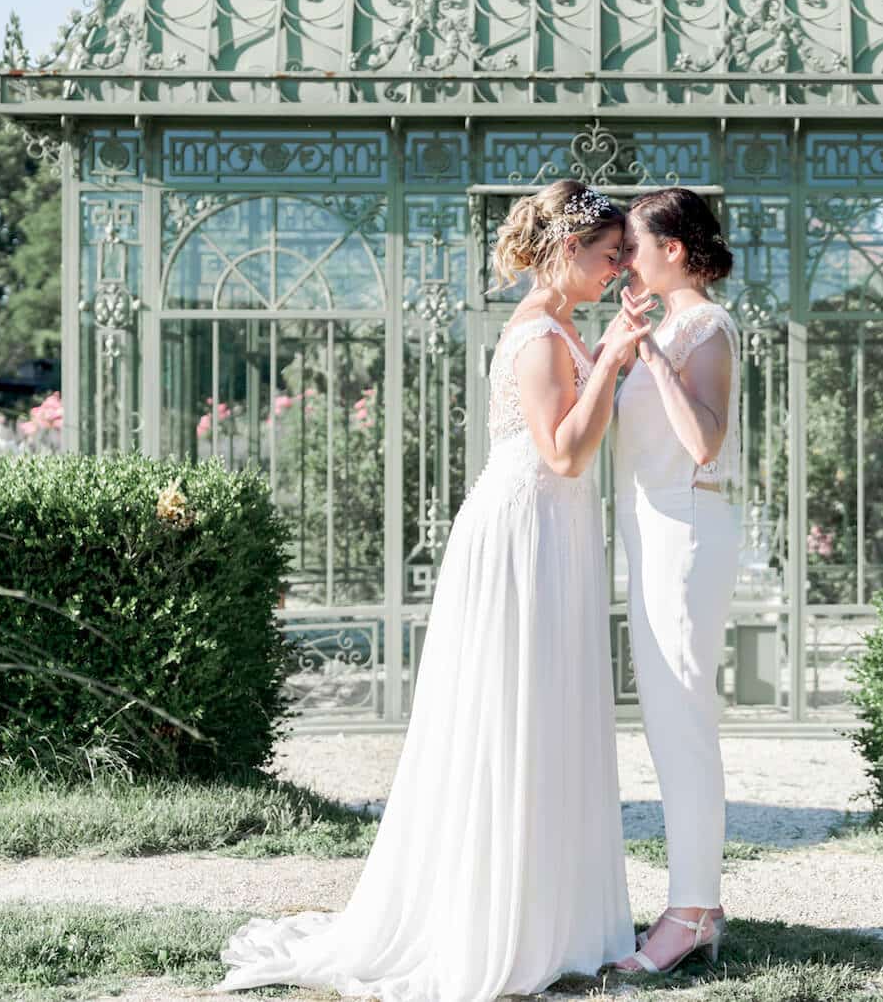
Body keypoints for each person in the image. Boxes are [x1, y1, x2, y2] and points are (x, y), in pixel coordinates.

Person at [219, 179, 654, 1001]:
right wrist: (613, 362)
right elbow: (565, 454)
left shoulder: (565, 327)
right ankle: (498, 917)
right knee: (516, 713)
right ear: (568, 249)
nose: (618, 269)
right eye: (608, 255)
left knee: (551, 712)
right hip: (522, 534)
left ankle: (555, 913)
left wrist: (610, 357)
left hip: (555, 530)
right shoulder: (538, 335)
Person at [609, 188, 741, 975]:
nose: (626, 258)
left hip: (687, 531)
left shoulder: (707, 328)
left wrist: (652, 359)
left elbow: (703, 441)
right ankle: (701, 903)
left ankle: (691, 910)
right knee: (668, 720)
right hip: (652, 532)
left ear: (675, 250)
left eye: (635, 244)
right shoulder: (663, 327)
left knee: (682, 719)